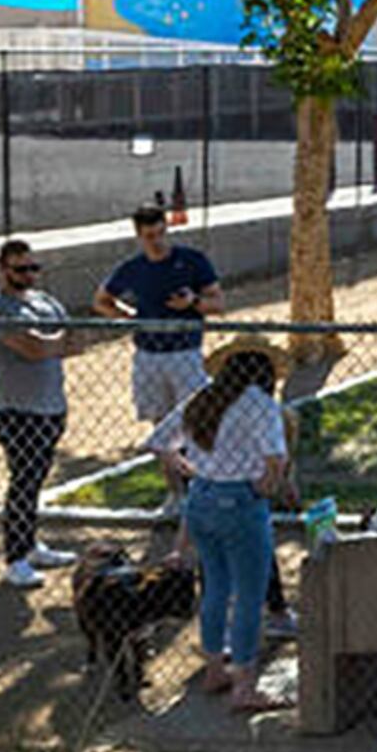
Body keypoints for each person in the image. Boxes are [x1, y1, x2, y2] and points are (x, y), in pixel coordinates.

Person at [152, 345, 292, 712]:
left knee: (215, 586)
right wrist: (267, 486)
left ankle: (215, 668)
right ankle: (245, 686)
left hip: (201, 498)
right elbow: (275, 458)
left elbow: (159, 441)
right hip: (240, 502)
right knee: (249, 594)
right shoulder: (260, 404)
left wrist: (184, 464)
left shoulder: (204, 398)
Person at [0, 239, 78, 589]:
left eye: (33, 268)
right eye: (21, 269)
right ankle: (15, 557)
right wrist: (52, 342)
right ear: (3, 269)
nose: (29, 275)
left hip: (51, 405)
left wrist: (50, 342)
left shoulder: (43, 301)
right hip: (17, 410)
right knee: (23, 480)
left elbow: (76, 341)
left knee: (36, 480)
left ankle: (31, 545)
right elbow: (33, 348)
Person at [94, 200, 223, 429]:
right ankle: (168, 462)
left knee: (194, 417)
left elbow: (218, 302)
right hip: (148, 353)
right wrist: (129, 316)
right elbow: (101, 301)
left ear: (167, 229)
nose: (157, 242)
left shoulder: (192, 260)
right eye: (149, 236)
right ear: (139, 236)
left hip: (185, 350)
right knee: (159, 421)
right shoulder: (132, 268)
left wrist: (192, 302)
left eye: (160, 234)